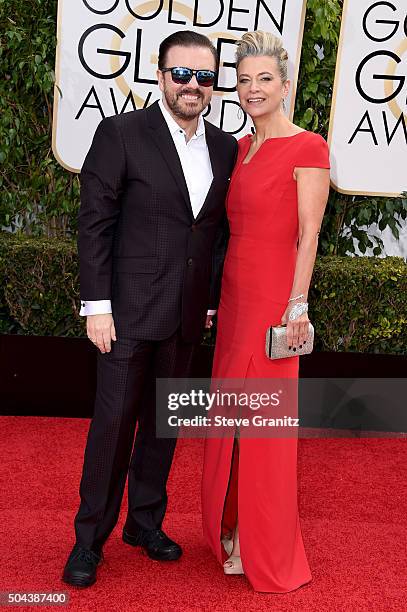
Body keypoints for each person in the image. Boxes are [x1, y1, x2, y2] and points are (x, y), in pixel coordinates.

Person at [63, 30, 237, 587]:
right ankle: (89, 540)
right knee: (112, 431)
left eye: (203, 76)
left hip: (186, 317)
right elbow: (95, 224)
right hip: (127, 313)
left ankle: (144, 523)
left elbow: (212, 234)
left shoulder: (224, 146)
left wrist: (208, 303)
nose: (192, 84)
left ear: (214, 85)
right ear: (160, 78)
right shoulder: (121, 133)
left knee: (166, 427)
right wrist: (96, 305)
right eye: (181, 74)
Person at [201, 31, 330, 593]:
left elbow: (309, 233)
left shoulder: (309, 147)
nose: (253, 89)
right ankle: (231, 529)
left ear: (285, 84)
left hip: (275, 304)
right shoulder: (240, 147)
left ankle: (265, 547)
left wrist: (296, 307)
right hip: (234, 300)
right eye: (245, 79)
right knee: (231, 420)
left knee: (265, 431)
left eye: (265, 79)